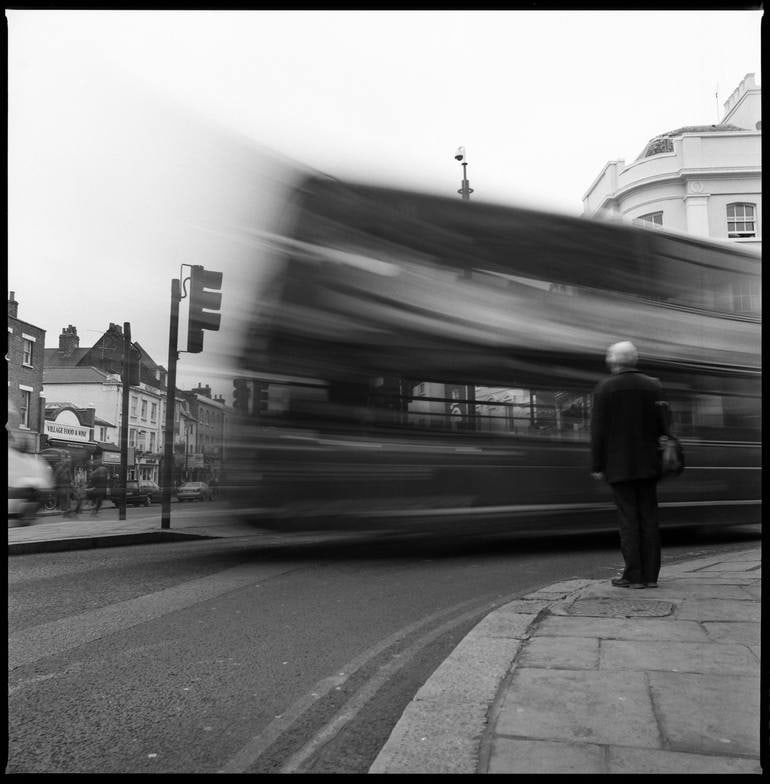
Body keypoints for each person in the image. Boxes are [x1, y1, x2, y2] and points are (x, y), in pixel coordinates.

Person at [590, 341, 670, 589]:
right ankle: (650, 576)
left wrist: (597, 464)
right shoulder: (653, 386)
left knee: (628, 520)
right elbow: (665, 425)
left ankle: (633, 575)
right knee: (649, 518)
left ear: (613, 361)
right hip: (649, 464)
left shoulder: (605, 388)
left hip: (619, 466)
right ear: (634, 360)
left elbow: (598, 430)